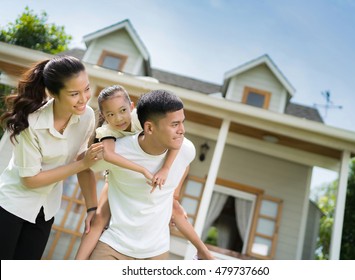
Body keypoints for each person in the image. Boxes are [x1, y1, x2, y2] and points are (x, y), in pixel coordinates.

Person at [75, 85, 214, 260]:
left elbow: (184, 161)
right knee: (99, 218)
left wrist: (173, 192)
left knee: (175, 209)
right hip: (115, 175)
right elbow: (87, 163)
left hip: (155, 250)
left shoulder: (179, 144)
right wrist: (91, 207)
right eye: (174, 124)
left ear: (131, 107)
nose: (182, 130)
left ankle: (204, 253)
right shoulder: (111, 136)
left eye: (182, 122)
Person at [0, 56, 103, 260]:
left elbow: (83, 163)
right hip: (10, 206)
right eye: (74, 94)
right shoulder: (30, 122)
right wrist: (82, 163)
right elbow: (30, 180)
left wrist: (92, 208)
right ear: (53, 93)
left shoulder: (86, 116)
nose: (84, 98)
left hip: (45, 210)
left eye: (86, 89)